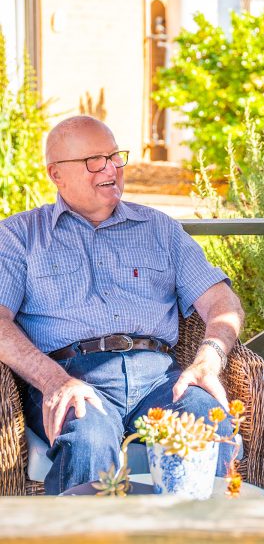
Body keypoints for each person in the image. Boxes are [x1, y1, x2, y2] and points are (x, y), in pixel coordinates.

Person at [0, 116, 244, 494]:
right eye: (95, 160)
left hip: (161, 380)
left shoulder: (159, 228)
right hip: (75, 377)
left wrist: (209, 358)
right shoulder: (19, 236)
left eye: (115, 156)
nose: (111, 169)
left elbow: (221, 300)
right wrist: (53, 381)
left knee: (207, 422)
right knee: (90, 440)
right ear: (56, 174)